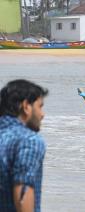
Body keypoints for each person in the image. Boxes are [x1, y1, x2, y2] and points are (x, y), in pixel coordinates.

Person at [0, 80, 48, 212]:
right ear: (26, 106)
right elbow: (22, 197)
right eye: (40, 106)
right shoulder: (28, 140)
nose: (42, 114)